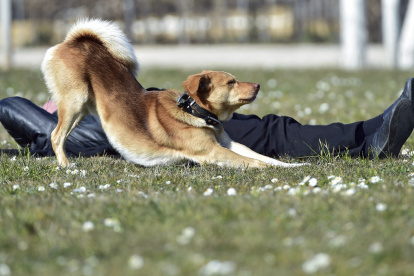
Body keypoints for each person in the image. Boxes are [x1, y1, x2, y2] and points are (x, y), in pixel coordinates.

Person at [0, 78, 413, 160]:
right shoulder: (57, 136)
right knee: (268, 132)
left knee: (268, 128)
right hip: (141, 133)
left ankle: (368, 134)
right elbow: (11, 105)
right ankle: (369, 140)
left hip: (152, 111)